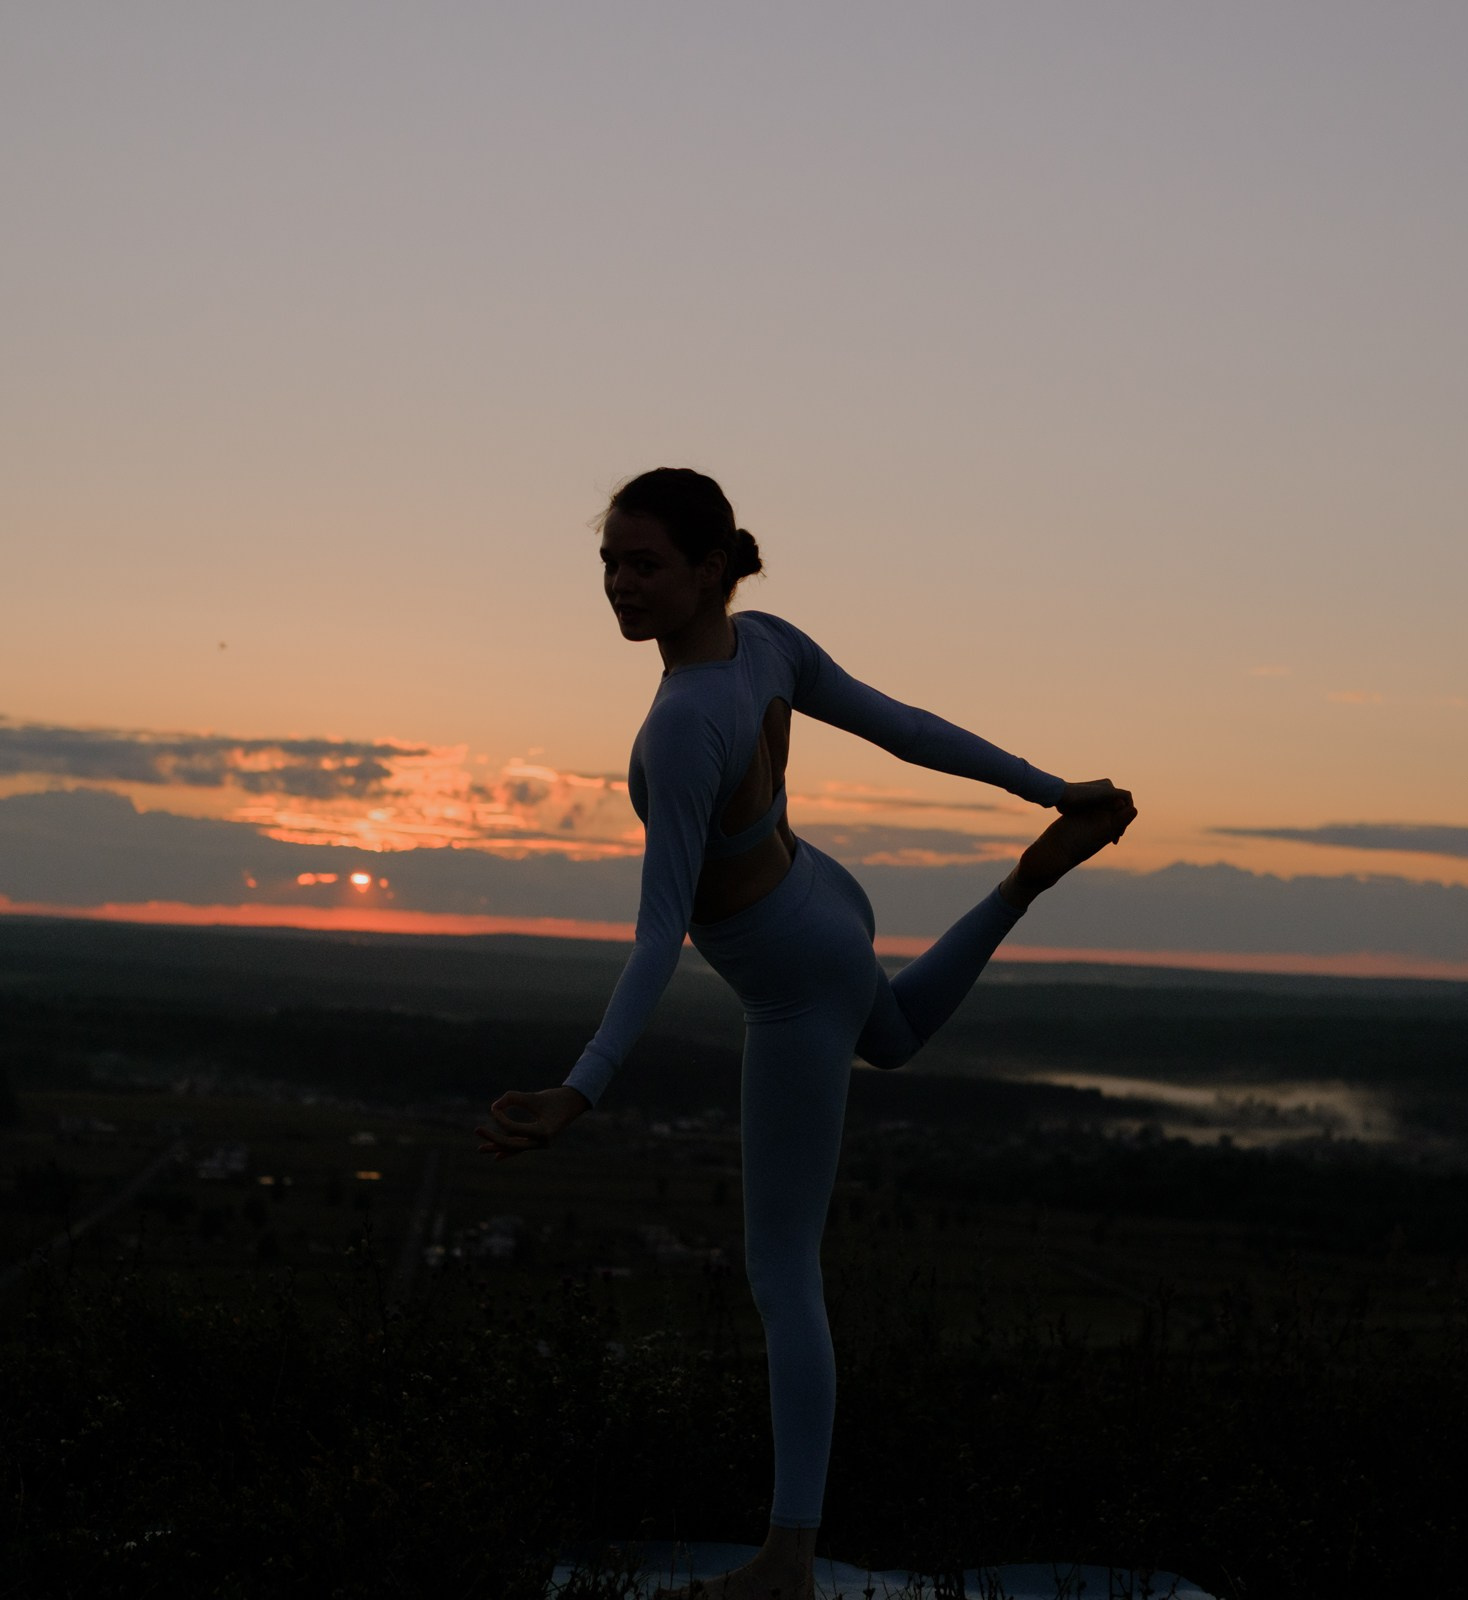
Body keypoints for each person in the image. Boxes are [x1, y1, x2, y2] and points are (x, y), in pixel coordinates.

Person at [476, 468, 1135, 1600]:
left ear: (707, 568)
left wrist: (579, 1087)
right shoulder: (765, 646)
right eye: (607, 563)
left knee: (783, 1271)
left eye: (644, 563)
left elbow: (654, 938)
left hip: (787, 976)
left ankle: (787, 1552)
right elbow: (905, 730)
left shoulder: (681, 724)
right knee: (889, 1038)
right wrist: (1043, 794)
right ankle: (1024, 882)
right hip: (830, 905)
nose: (619, 586)